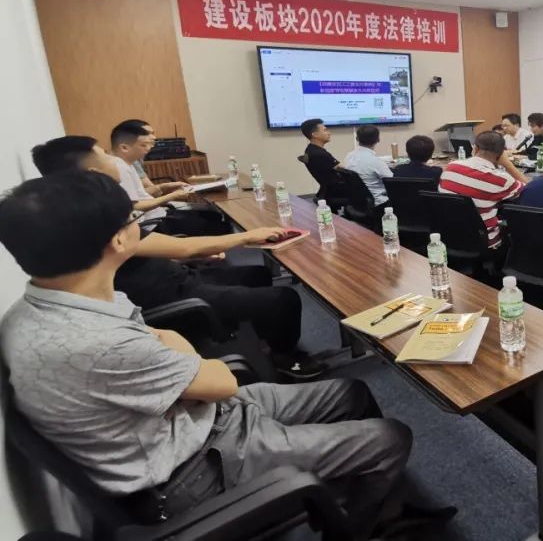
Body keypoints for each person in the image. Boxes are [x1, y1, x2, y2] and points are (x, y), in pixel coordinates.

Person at [0, 171, 444, 539]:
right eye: (132, 218)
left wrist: (172, 349)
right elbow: (220, 381)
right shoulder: (92, 341)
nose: (139, 224)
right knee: (391, 437)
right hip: (194, 468)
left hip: (189, 420)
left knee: (351, 393)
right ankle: (355, 526)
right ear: (118, 240)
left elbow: (169, 350)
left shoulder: (52, 302)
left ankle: (366, 500)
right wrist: (175, 347)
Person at [31, 135, 325, 380]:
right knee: (284, 298)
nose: (112, 158)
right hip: (173, 296)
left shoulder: (82, 208)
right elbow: (181, 247)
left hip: (171, 276)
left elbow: (157, 248)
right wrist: (247, 237)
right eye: (104, 155)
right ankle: (286, 360)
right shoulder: (95, 218)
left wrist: (191, 257)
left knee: (257, 274)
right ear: (93, 171)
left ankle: (267, 341)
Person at [111, 121, 230, 236]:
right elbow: (135, 206)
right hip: (154, 225)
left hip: (159, 214)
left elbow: (138, 194)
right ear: (124, 148)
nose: (148, 148)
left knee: (215, 216)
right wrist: (173, 195)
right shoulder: (120, 168)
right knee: (220, 225)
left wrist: (164, 186)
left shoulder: (128, 164)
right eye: (143, 145)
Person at [439, 131, 529, 248]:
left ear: (475, 148)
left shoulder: (451, 167)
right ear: (501, 154)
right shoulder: (501, 180)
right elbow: (530, 190)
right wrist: (507, 164)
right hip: (484, 243)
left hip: (448, 236)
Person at [344, 125, 393, 207]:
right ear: (378, 139)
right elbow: (393, 183)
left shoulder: (349, 156)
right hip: (379, 203)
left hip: (357, 202)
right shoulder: (376, 162)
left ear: (357, 138)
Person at [300, 117, 348, 201]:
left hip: (327, 190)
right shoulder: (320, 154)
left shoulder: (310, 150)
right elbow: (345, 171)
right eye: (325, 130)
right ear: (315, 134)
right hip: (337, 191)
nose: (329, 133)